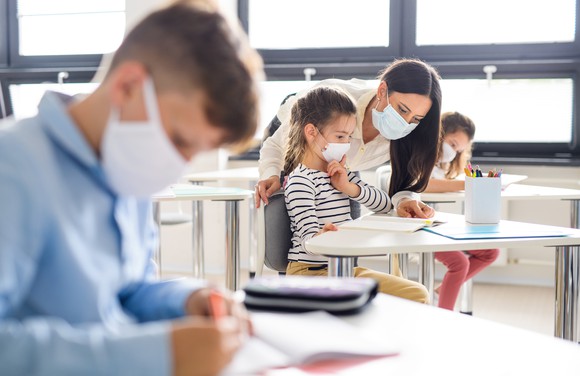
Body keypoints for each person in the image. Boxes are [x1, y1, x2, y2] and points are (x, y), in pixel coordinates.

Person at [0, 1, 264, 375]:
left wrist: (187, 300)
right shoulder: (13, 169)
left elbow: (124, 294)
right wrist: (160, 355)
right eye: (178, 139)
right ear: (126, 87)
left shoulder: (124, 170)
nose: (178, 165)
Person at [283, 86, 429, 303]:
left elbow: (386, 205)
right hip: (310, 272)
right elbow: (308, 240)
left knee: (416, 292)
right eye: (340, 136)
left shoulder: (341, 173)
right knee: (415, 295)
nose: (346, 144)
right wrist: (323, 235)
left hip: (341, 268)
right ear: (311, 132)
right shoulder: (300, 181)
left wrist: (349, 187)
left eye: (349, 137)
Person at [255, 58, 442, 222]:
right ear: (382, 90)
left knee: (346, 221)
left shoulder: (407, 134)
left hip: (340, 165)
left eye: (416, 119)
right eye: (402, 110)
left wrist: (405, 199)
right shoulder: (337, 102)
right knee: (287, 223)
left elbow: (400, 186)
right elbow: (275, 146)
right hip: (294, 129)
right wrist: (271, 174)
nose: (405, 123)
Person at [424, 111, 500, 310]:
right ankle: (445, 314)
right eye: (453, 144)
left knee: (491, 252)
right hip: (420, 226)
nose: (454, 151)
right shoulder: (420, 155)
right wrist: (464, 184)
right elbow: (423, 185)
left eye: (459, 150)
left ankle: (446, 288)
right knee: (460, 264)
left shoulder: (441, 165)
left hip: (436, 224)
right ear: (439, 133)